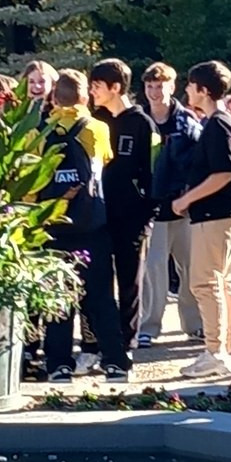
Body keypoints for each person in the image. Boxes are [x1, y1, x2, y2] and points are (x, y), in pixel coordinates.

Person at [40, 71, 125, 381]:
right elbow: (106, 158)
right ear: (86, 96)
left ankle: (58, 364)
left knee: (57, 298)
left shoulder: (39, 132)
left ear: (53, 98)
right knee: (101, 295)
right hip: (92, 224)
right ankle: (115, 361)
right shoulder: (98, 128)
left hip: (53, 225)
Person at [171, 60, 231, 376]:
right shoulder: (223, 122)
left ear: (203, 90)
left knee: (206, 281)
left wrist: (186, 199)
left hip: (216, 214)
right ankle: (227, 349)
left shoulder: (217, 124)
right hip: (228, 213)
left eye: (191, 85)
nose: (187, 90)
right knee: (226, 281)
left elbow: (223, 173)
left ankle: (215, 351)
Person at [91, 58, 157, 361]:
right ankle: (106, 345)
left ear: (115, 88)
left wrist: (147, 211)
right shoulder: (95, 120)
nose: (92, 91)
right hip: (101, 216)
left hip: (133, 218)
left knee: (130, 282)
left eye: (97, 86)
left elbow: (153, 172)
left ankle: (127, 346)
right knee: (101, 282)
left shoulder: (142, 123)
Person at [139, 62, 203, 347]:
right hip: (153, 209)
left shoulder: (187, 121)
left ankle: (195, 324)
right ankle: (149, 327)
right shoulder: (140, 121)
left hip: (185, 207)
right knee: (153, 272)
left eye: (160, 86)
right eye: (150, 86)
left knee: (190, 269)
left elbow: (198, 162)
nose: (155, 91)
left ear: (171, 86)